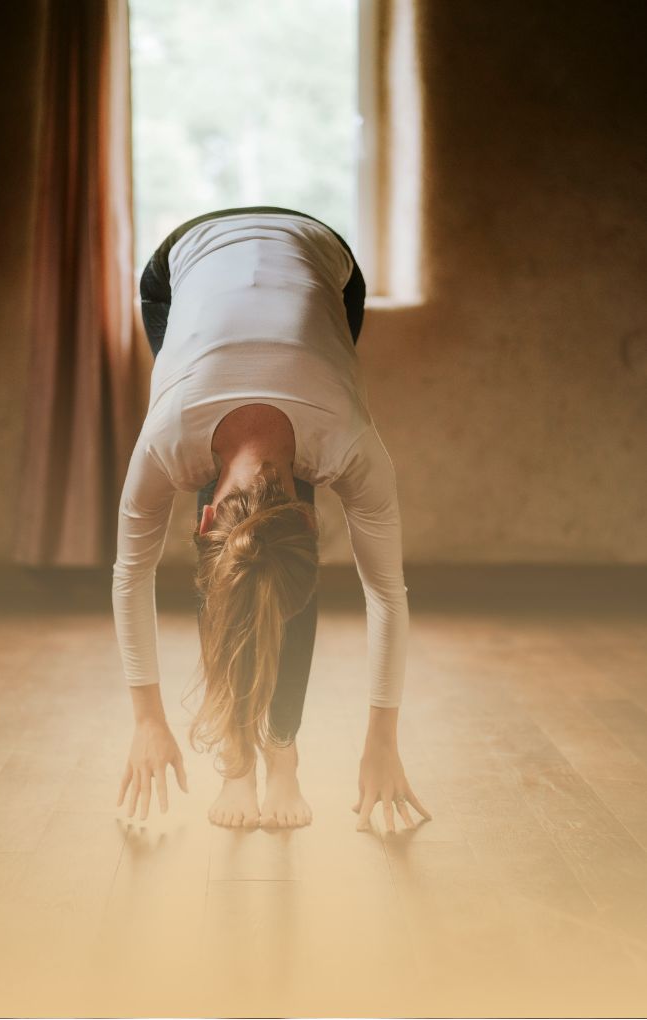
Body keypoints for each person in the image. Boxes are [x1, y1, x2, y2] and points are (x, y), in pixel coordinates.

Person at [112, 205, 431, 832]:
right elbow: (129, 576)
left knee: (258, 562)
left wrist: (383, 742)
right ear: (201, 520)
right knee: (242, 567)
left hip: (323, 261)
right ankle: (239, 760)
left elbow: (388, 598)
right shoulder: (167, 441)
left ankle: (280, 750)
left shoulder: (347, 444)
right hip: (180, 264)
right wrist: (147, 720)